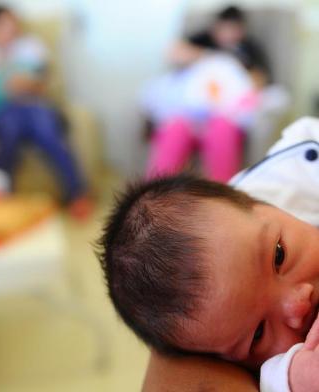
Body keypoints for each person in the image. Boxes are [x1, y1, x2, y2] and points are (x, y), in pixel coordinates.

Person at [98, 117, 319, 391]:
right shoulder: (286, 365)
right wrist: (296, 376)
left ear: (259, 202)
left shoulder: (293, 180)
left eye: (278, 256)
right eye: (258, 334)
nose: (298, 306)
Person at [0, 4, 91, 218]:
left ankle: (77, 194)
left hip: (32, 104)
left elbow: (46, 84)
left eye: (13, 25)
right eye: (5, 25)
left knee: (47, 130)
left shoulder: (30, 46)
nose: (11, 30)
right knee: (10, 129)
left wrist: (26, 84)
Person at [141, 34, 257, 182]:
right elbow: (154, 103)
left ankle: (223, 189)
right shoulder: (174, 76)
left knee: (221, 128)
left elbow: (242, 98)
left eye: (181, 48)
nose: (174, 53)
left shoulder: (224, 66)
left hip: (223, 121)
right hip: (186, 123)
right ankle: (156, 190)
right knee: (175, 128)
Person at [191, 5, 270, 87]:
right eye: (223, 28)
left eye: (232, 29)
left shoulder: (249, 48)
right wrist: (210, 56)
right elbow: (181, 51)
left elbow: (262, 77)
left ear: (242, 30)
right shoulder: (204, 40)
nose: (227, 34)